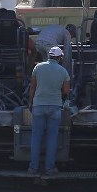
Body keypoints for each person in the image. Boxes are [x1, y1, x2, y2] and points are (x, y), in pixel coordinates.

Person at [27, 46, 70, 176]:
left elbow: (32, 87)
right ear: (59, 57)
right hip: (55, 107)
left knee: (36, 138)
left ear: (49, 56)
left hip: (38, 106)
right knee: (52, 139)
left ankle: (33, 169)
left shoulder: (38, 67)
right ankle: (49, 168)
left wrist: (30, 102)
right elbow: (66, 92)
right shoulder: (63, 72)